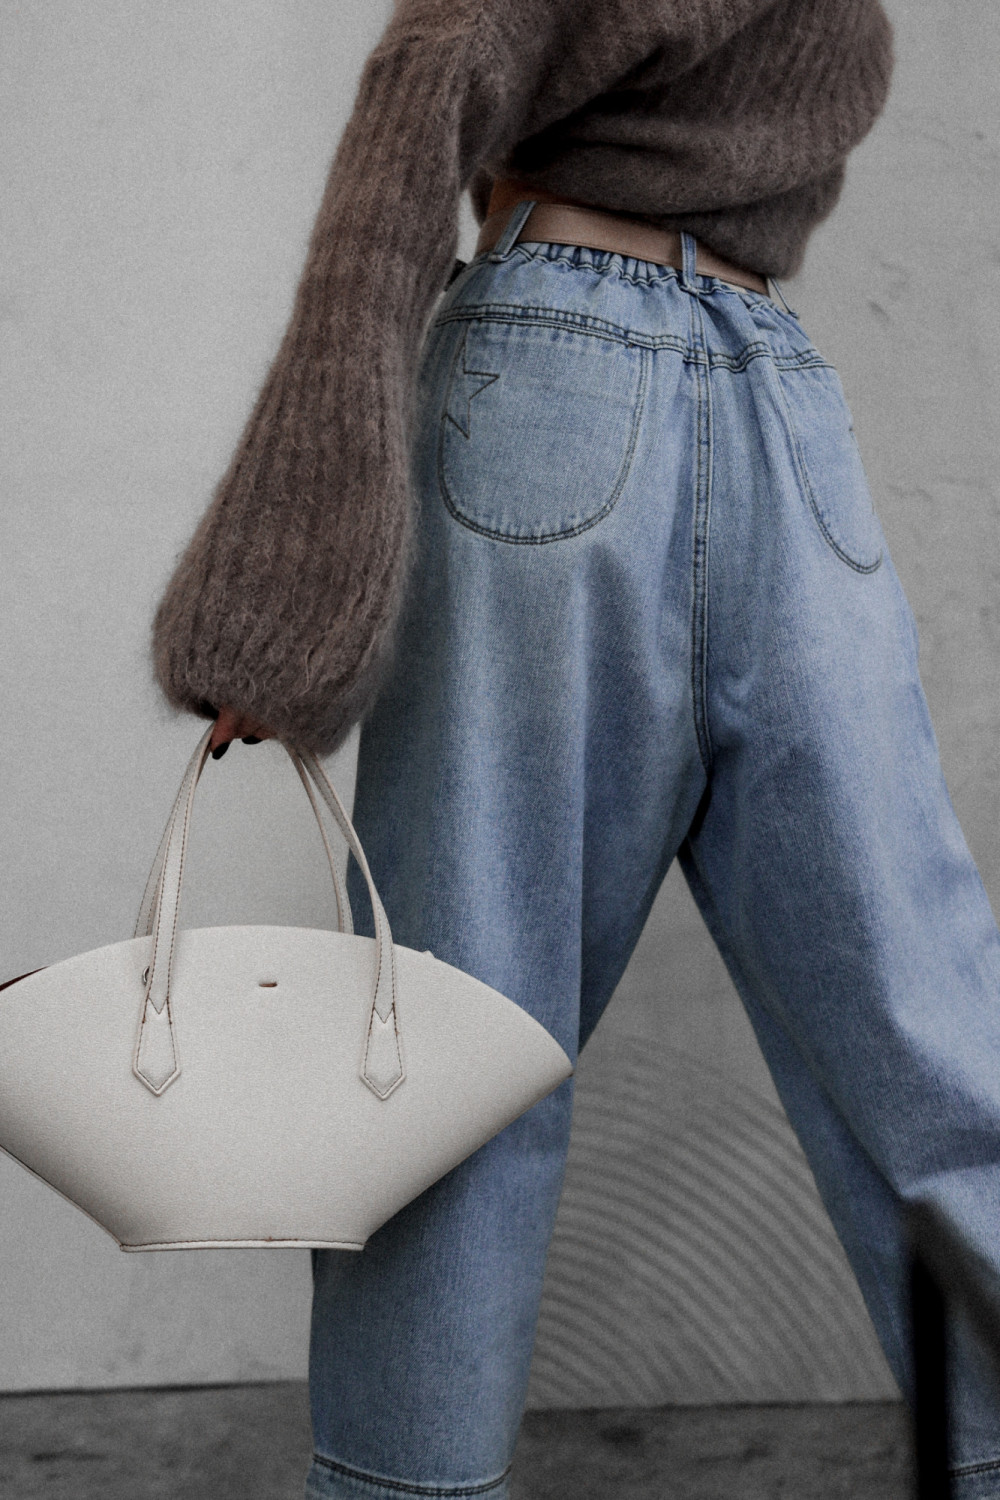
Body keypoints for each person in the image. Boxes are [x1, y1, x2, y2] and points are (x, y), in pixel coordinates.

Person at [149, 1, 1000, 1496]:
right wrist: (296, 575)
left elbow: (453, 64)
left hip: (665, 386)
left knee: (475, 1057)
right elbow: (459, 72)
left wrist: (289, 585)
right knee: (894, 1039)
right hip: (668, 385)